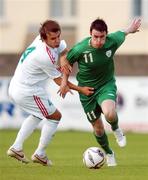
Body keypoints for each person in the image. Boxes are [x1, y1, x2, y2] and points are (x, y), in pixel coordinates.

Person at [7, 20, 94, 166]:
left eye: (58, 36)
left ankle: (17, 147)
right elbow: (59, 81)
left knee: (37, 115)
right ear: (44, 38)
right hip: (26, 90)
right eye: (53, 39)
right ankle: (40, 153)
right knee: (55, 116)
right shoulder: (43, 56)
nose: (57, 41)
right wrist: (81, 90)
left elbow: (63, 50)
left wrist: (63, 60)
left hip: (17, 87)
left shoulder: (43, 40)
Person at [59, 17, 141, 166]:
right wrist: (64, 82)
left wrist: (131, 28)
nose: (99, 41)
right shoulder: (80, 49)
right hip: (86, 92)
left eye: (102, 37)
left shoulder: (112, 41)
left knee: (109, 112)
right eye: (95, 37)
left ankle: (116, 130)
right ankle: (109, 153)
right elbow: (66, 62)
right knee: (98, 129)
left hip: (106, 85)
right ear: (90, 34)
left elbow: (123, 32)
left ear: (106, 35)